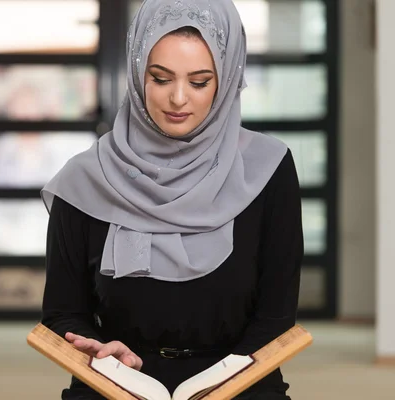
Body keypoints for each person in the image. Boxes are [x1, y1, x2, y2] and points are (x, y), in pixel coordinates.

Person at [40, 0, 303, 398]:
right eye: (160, 78)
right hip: (115, 385)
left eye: (199, 82)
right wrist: (100, 357)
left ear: (227, 79)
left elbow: (276, 316)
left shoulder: (267, 169)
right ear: (135, 74)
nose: (179, 98)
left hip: (242, 384)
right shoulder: (86, 178)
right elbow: (63, 312)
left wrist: (217, 389)